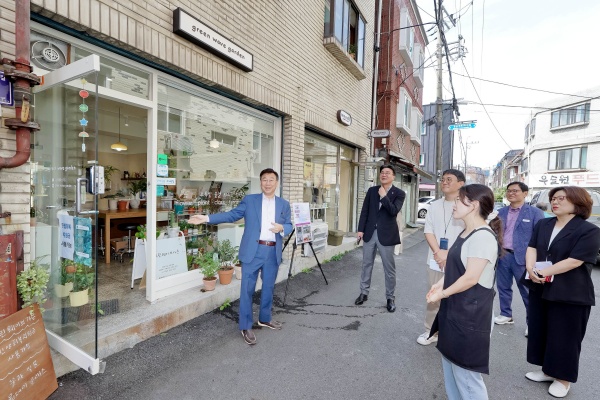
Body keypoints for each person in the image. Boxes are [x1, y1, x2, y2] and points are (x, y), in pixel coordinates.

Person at [188, 168, 293, 345]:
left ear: (277, 183)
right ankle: (245, 326)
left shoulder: (284, 204)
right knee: (247, 290)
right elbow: (232, 215)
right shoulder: (250, 201)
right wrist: (206, 218)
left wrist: (282, 228)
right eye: (264, 179)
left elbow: (289, 224)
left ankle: (265, 318)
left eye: (271, 180)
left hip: (272, 252)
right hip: (253, 251)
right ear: (261, 182)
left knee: (268, 288)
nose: (267, 183)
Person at [426, 184, 502, 400]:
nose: (454, 204)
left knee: (467, 378)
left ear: (474, 205)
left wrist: (442, 294)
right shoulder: (467, 231)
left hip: (471, 316)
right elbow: (456, 268)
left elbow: (470, 278)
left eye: (459, 200)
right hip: (456, 310)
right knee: (451, 369)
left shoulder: (483, 236)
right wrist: (440, 284)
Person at [524, 186, 600, 398]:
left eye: (561, 198)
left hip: (571, 292)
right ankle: (548, 371)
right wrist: (530, 268)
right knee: (542, 330)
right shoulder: (543, 224)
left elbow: (575, 260)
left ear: (578, 202)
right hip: (541, 285)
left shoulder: (589, 230)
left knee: (565, 336)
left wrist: (542, 271)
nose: (555, 202)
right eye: (553, 198)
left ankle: (563, 379)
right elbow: (532, 247)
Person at [417, 169, 466, 346]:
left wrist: (450, 255)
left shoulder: (467, 205)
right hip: (435, 260)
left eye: (449, 179)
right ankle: (431, 331)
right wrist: (438, 253)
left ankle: (455, 333)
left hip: (460, 260)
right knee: (434, 296)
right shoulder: (435, 205)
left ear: (461, 183)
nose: (444, 182)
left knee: (458, 298)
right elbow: (428, 230)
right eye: (443, 179)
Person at [494, 182, 544, 337]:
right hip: (503, 255)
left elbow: (540, 237)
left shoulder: (535, 213)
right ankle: (506, 314)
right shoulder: (500, 212)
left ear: (525, 193)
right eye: (509, 191)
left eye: (515, 191)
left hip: (524, 258)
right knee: (503, 287)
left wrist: (535, 260)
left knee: (528, 292)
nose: (511, 193)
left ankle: (532, 322)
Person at [354, 164, 405, 312]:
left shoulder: (399, 193)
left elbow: (393, 211)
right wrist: (360, 230)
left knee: (389, 268)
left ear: (393, 176)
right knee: (366, 264)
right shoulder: (372, 191)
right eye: (382, 172)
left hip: (387, 235)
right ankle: (363, 293)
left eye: (387, 173)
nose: (384, 174)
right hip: (370, 233)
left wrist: (384, 196)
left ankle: (390, 297)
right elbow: (365, 211)